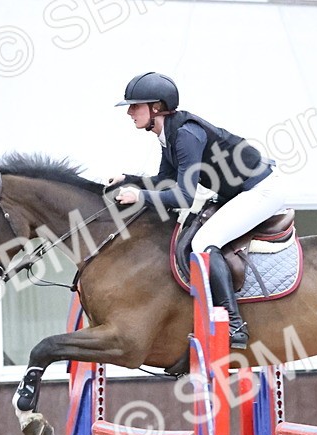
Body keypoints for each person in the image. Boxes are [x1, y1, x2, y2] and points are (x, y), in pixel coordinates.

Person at [108, 71, 284, 349]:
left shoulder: (187, 135)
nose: (130, 112)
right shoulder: (168, 134)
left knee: (203, 242)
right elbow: (164, 181)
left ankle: (234, 326)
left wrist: (139, 196)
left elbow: (184, 196)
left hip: (261, 190)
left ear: (157, 107)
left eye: (135, 106)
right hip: (240, 191)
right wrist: (129, 180)